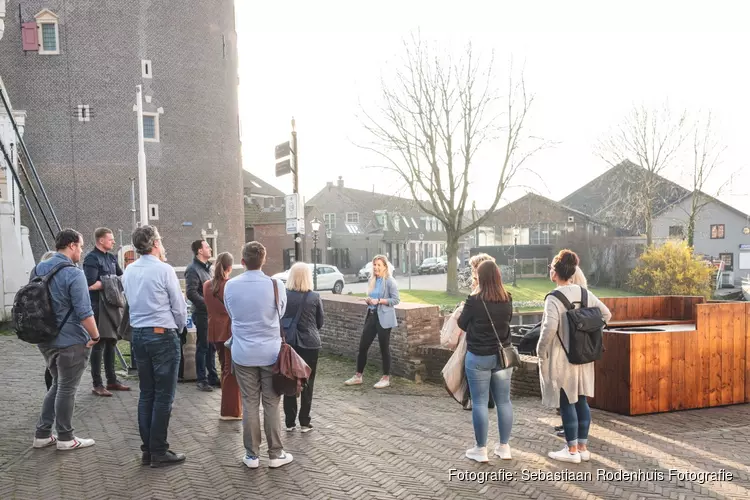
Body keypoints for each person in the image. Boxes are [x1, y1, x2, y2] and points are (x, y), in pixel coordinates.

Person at [224, 241, 294, 469]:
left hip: (243, 352)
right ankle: (276, 453)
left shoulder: (231, 286)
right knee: (272, 403)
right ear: (263, 260)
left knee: (250, 403)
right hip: (270, 353)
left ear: (242, 261)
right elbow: (280, 313)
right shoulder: (276, 285)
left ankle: (252, 455)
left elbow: (230, 312)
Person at [537, 250, 612, 464]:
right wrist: (590, 329)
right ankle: (583, 447)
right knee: (581, 399)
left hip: (563, 356)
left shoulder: (554, 297)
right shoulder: (584, 293)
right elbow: (606, 314)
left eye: (551, 268)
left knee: (566, 399)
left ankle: (571, 451)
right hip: (584, 355)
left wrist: (540, 351)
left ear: (556, 272)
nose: (550, 271)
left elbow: (549, 327)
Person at [122, 225, 188, 468]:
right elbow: (179, 307)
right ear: (155, 244)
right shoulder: (164, 270)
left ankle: (148, 450)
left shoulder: (128, 271)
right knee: (164, 396)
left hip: (138, 335)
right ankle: (159, 449)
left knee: (146, 394)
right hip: (162, 334)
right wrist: (179, 329)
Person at [32, 229, 101, 451]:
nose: (81, 250)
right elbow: (84, 312)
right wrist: (95, 335)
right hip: (70, 340)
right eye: (80, 246)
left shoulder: (38, 268)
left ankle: (42, 434)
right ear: (71, 245)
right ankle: (65, 437)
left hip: (45, 338)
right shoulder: (74, 273)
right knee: (66, 388)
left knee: (57, 384)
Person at [457, 260, 514, 463]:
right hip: (502, 357)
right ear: (498, 276)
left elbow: (461, 323)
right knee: (504, 401)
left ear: (479, 277)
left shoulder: (474, 300)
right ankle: (504, 447)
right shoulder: (507, 298)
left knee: (480, 402)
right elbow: (509, 322)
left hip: (478, 357)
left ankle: (481, 450)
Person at [83, 227, 128, 397]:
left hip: (112, 305)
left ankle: (112, 380)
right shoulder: (91, 259)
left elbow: (121, 278)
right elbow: (90, 284)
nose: (114, 241)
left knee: (112, 342)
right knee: (99, 344)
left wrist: (106, 281)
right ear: (101, 240)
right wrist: (110, 281)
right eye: (110, 239)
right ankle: (97, 384)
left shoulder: (111, 258)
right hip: (98, 306)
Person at [344, 255, 400, 389]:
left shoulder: (390, 282)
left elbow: (396, 300)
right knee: (363, 346)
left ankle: (386, 377)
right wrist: (369, 300)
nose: (376, 267)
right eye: (374, 265)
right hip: (371, 315)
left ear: (385, 267)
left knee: (384, 348)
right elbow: (372, 296)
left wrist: (380, 301)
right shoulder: (372, 280)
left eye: (378, 265)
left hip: (384, 318)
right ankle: (358, 376)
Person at [282, 262, 324, 432]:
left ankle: (290, 422)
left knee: (289, 380)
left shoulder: (285, 295)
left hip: (289, 343)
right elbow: (320, 321)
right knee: (308, 381)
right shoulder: (314, 297)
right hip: (310, 344)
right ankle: (305, 421)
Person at [203, 252, 242, 420]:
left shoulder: (206, 285)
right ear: (230, 268)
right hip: (229, 330)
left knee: (223, 366)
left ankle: (229, 408)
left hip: (214, 331)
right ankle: (230, 410)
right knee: (230, 370)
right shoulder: (231, 285)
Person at [185, 239, 218, 392]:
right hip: (202, 313)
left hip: (211, 314)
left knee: (211, 346)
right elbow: (191, 293)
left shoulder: (209, 269)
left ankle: (212, 376)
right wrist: (208, 305)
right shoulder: (193, 269)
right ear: (199, 251)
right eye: (207, 246)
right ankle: (201, 379)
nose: (210, 248)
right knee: (203, 345)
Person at [38, 250, 57, 391]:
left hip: (40, 325)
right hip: (55, 325)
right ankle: (56, 396)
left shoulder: (36, 277)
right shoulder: (56, 279)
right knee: (55, 364)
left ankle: (50, 393)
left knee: (49, 362)